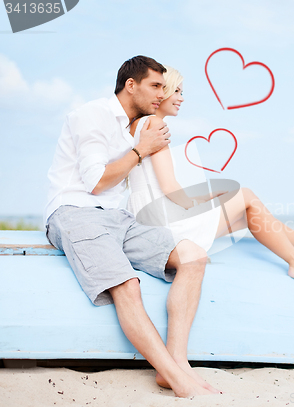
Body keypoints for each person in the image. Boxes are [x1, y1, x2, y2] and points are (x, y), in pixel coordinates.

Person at [45, 56, 219, 398]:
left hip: (118, 219)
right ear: (130, 85)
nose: (162, 93)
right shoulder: (92, 115)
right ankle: (178, 380)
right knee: (128, 286)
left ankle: (177, 365)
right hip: (76, 212)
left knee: (194, 257)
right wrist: (141, 150)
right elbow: (96, 182)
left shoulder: (136, 125)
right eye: (155, 86)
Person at [127, 66, 294, 288]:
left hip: (147, 218)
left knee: (247, 218)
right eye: (176, 91)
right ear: (161, 91)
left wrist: (206, 197)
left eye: (181, 93)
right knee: (247, 196)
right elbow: (168, 188)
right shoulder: (156, 124)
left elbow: (151, 183)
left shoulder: (136, 125)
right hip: (163, 223)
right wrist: (199, 202)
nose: (181, 98)